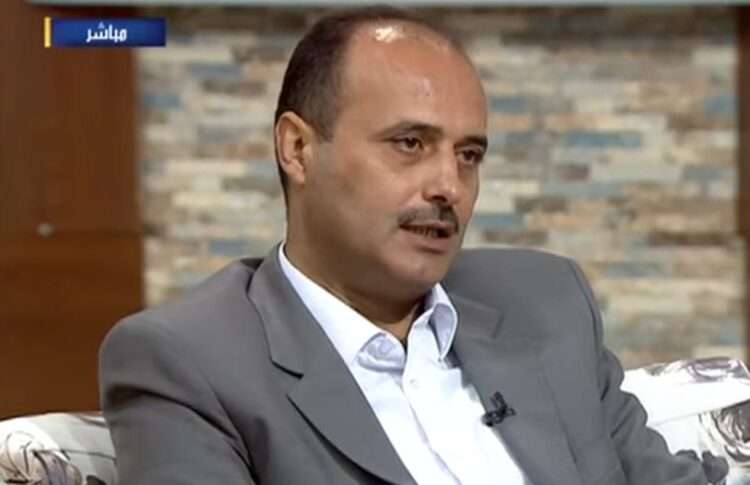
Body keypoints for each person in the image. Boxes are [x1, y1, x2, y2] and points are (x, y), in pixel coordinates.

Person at [99, 6, 707, 485]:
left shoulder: (546, 302)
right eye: (410, 144)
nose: (450, 186)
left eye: (468, 155)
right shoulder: (187, 363)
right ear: (298, 149)